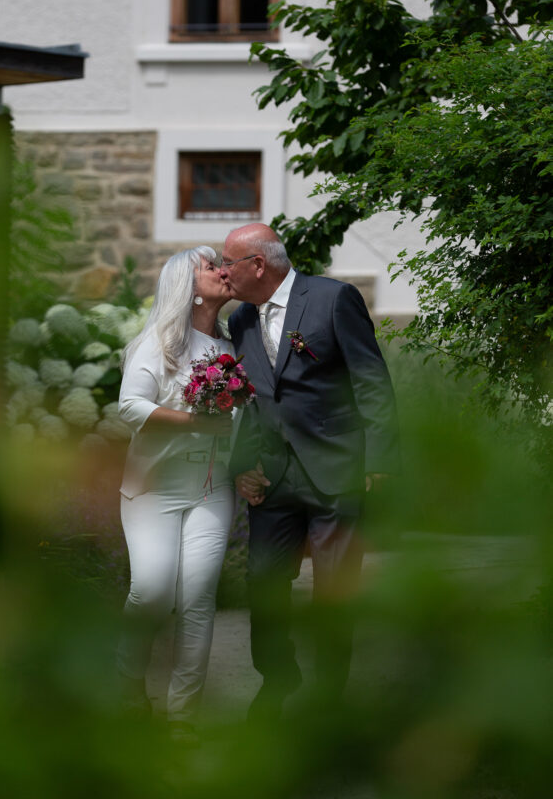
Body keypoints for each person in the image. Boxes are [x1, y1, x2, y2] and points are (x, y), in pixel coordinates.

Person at [219, 224, 400, 721]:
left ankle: (327, 697)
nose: (221, 271)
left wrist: (379, 462)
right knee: (264, 583)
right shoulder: (240, 322)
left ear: (258, 264)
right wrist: (243, 466)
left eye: (228, 261)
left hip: (338, 469)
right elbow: (255, 403)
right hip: (274, 476)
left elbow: (371, 382)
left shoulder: (333, 298)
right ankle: (277, 679)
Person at [116, 246, 235, 745]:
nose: (222, 271)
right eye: (211, 267)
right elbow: (129, 407)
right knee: (152, 591)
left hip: (212, 489)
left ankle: (183, 719)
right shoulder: (160, 344)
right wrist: (194, 421)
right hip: (153, 490)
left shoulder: (232, 345)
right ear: (186, 284)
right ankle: (126, 694)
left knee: (198, 601)